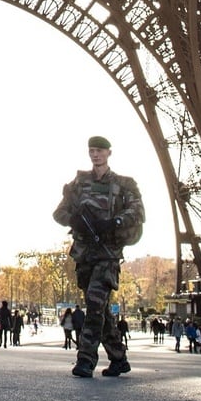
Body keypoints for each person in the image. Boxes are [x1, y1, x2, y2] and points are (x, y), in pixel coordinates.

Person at [53, 135, 145, 378]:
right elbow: (59, 213)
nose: (95, 155)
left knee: (94, 305)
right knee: (100, 310)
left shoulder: (125, 184)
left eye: (100, 151)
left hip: (108, 254)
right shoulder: (78, 184)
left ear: (109, 153)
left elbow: (137, 212)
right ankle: (118, 358)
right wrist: (76, 221)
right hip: (85, 255)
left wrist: (113, 223)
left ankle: (85, 360)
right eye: (92, 151)